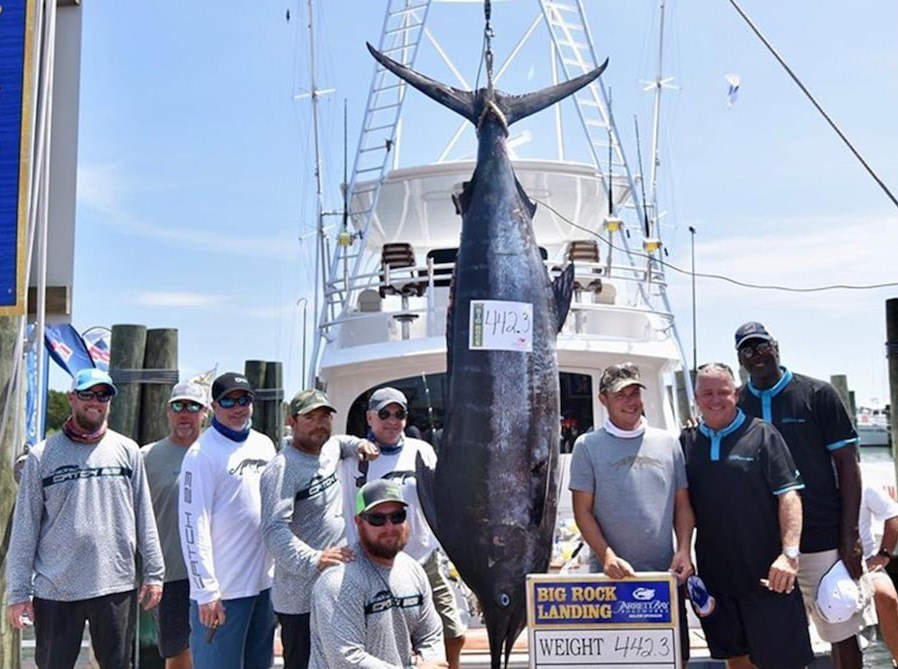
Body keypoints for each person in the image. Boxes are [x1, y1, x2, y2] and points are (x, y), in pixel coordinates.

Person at [5, 368, 164, 669]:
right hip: (56, 588)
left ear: (110, 401)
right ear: (72, 398)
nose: (95, 401)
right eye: (87, 393)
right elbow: (25, 528)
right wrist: (18, 593)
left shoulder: (128, 451)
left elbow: (144, 515)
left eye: (103, 395)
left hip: (115, 584)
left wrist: (155, 573)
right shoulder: (42, 455)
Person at [734, 321, 869, 668]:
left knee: (840, 621)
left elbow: (848, 466)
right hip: (764, 544)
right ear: (740, 359)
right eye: (748, 350)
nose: (757, 355)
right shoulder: (735, 402)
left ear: (776, 348)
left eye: (762, 346)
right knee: (772, 640)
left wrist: (850, 536)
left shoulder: (818, 394)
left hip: (822, 536)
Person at [682, 362, 812, 669]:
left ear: (737, 394)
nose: (715, 399)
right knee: (735, 658)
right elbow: (682, 504)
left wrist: (789, 555)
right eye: (707, 393)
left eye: (723, 392)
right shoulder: (687, 441)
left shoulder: (763, 434)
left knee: (784, 662)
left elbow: (789, 496)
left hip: (768, 574)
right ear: (696, 398)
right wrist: (683, 551)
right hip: (716, 575)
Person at [569, 362, 695, 665]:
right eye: (620, 395)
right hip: (610, 582)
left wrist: (683, 550)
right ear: (603, 399)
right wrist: (607, 556)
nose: (630, 401)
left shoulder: (669, 442)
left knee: (676, 660)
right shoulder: (586, 445)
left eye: (634, 393)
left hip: (665, 580)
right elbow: (582, 512)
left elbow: (682, 505)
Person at [339, 387, 466, 669]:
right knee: (389, 642)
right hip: (376, 564)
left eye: (399, 414)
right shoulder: (352, 459)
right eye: (384, 414)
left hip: (424, 560)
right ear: (369, 417)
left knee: (454, 634)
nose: (392, 420)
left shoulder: (422, 450)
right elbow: (328, 450)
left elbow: (441, 500)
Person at [260, 389, 378, 669]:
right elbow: (274, 530)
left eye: (324, 416)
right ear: (291, 421)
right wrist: (315, 559)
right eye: (309, 417)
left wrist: (360, 444)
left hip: (336, 589)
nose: (319, 424)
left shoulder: (330, 448)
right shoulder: (282, 468)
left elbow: (341, 442)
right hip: (300, 599)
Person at [178, 372, 277, 669]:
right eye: (228, 401)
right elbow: (191, 525)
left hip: (264, 586)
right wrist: (206, 591)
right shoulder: (201, 454)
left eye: (243, 400)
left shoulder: (265, 445)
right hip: (224, 593)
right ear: (214, 406)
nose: (237, 408)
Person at [309, 478, 447, 669]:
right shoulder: (337, 581)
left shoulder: (413, 570)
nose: (389, 527)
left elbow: (430, 634)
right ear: (358, 522)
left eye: (397, 516)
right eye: (377, 519)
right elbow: (345, 660)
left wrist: (431, 661)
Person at [141, 381, 209, 669]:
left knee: (215, 649)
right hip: (172, 574)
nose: (185, 413)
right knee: (178, 651)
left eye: (193, 407)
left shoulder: (217, 452)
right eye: (178, 406)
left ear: (205, 412)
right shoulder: (145, 456)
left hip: (217, 573)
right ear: (168, 411)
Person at [859, 480, 898, 665]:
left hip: (865, 563)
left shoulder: (866, 483)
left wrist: (884, 554)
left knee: (887, 595)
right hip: (822, 562)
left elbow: (893, 514)